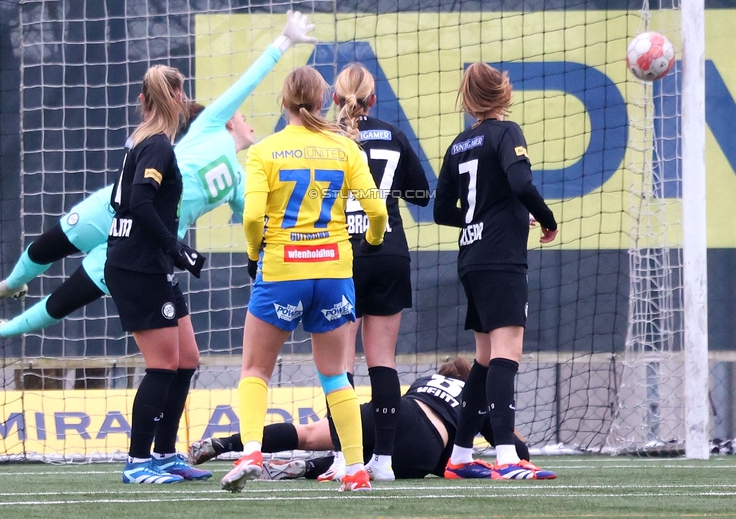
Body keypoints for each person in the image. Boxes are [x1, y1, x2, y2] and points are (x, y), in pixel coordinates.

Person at [0, 11, 317, 354]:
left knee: (64, 302)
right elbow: (247, 82)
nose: (248, 121)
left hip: (143, 242)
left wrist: (293, 241)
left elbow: (259, 221)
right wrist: (284, 40)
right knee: (44, 249)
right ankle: (11, 284)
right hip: (113, 209)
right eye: (242, 116)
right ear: (228, 122)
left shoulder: (240, 180)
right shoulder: (210, 127)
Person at [221, 65, 388, 494]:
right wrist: (369, 239)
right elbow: (378, 213)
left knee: (256, 370)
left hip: (282, 270)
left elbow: (254, 216)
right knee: (335, 376)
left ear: (284, 101)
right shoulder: (346, 147)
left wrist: (255, 254)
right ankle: (354, 469)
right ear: (320, 101)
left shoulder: (264, 151)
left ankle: (252, 451)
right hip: (333, 271)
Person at [433, 62, 558, 481]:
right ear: (503, 92)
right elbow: (521, 183)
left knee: (485, 360)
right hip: (500, 259)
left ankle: (460, 457)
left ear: (468, 99)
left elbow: (440, 211)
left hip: (470, 258)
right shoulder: (507, 133)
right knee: (508, 355)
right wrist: (546, 218)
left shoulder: (457, 145)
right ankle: (507, 458)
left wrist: (486, 218)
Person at [103, 63, 210, 485]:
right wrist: (177, 248)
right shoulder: (159, 146)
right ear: (175, 99)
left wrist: (172, 254)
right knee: (163, 365)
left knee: (187, 360)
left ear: (144, 101)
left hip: (149, 263)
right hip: (139, 265)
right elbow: (140, 202)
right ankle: (137, 462)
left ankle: (165, 454)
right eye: (182, 95)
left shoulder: (146, 139)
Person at [187, 359, 539, 481]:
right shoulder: (474, 394)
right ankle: (304, 468)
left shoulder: (424, 382)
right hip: (427, 438)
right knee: (419, 462)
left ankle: (225, 444)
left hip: (396, 411)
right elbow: (518, 449)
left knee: (310, 433)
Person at [328, 63, 431, 481]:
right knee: (382, 361)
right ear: (374, 99)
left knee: (339, 363)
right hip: (388, 248)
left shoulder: (326, 138)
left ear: (335, 99)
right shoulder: (394, 134)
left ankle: (342, 460)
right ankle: (383, 462)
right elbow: (422, 194)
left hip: (341, 254)